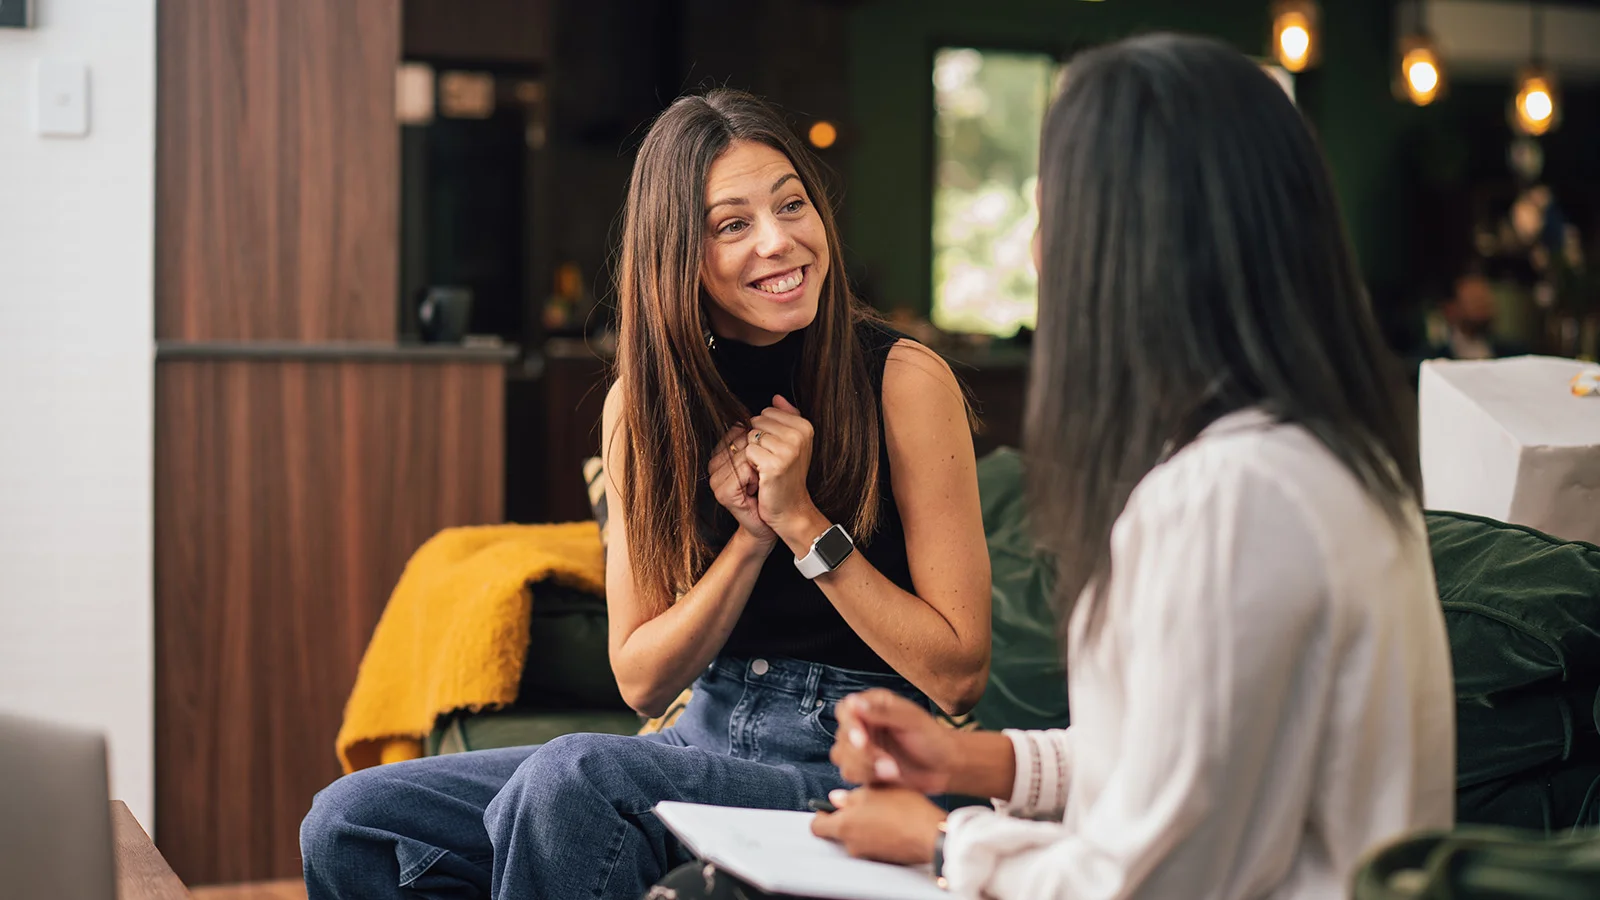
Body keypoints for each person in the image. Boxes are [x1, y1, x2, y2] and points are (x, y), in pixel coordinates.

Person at [803, 34, 1455, 899]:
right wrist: (974, 758)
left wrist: (948, 845)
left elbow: (1158, 877)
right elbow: (1191, 771)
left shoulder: (1228, 498)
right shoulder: (1323, 461)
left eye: (1055, 208)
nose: (1038, 249)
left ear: (1126, 243)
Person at [298, 89, 992, 899]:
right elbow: (642, 680)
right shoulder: (644, 405)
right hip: (701, 741)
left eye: (792, 205)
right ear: (678, 253)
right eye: (733, 224)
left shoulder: (904, 380)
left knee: (575, 775)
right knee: (352, 823)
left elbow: (958, 674)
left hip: (851, 768)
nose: (780, 242)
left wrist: (805, 523)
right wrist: (752, 538)